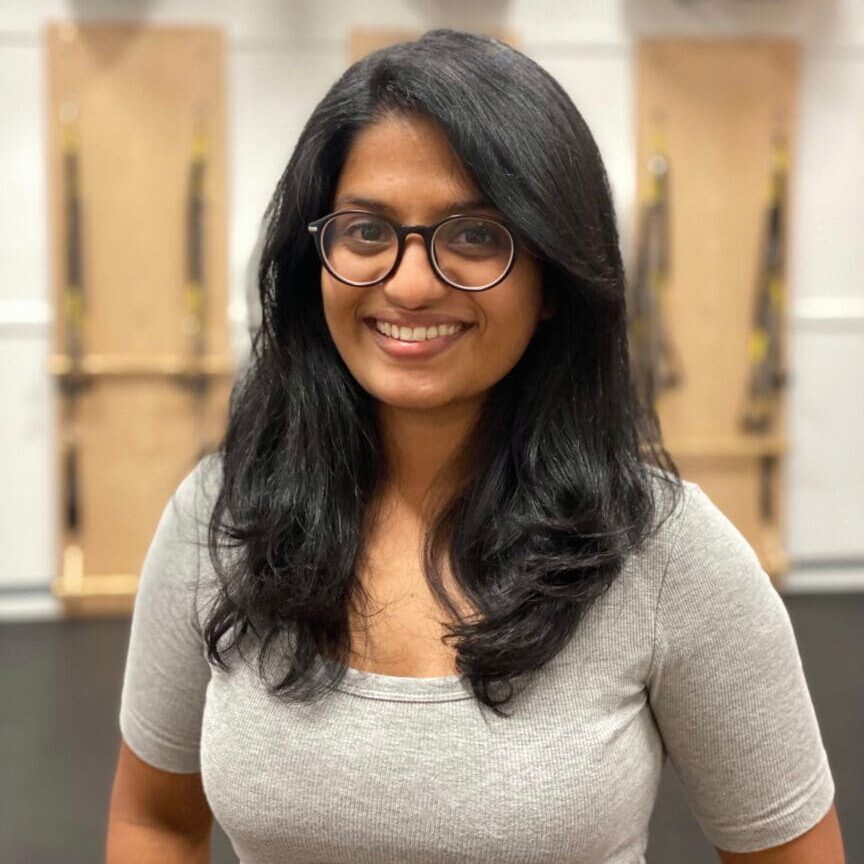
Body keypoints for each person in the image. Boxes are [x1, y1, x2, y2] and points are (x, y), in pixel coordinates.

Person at [105, 28, 844, 864]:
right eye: (366, 231)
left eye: (475, 236)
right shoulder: (222, 519)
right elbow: (154, 820)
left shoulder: (667, 555)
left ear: (555, 279)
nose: (411, 283)